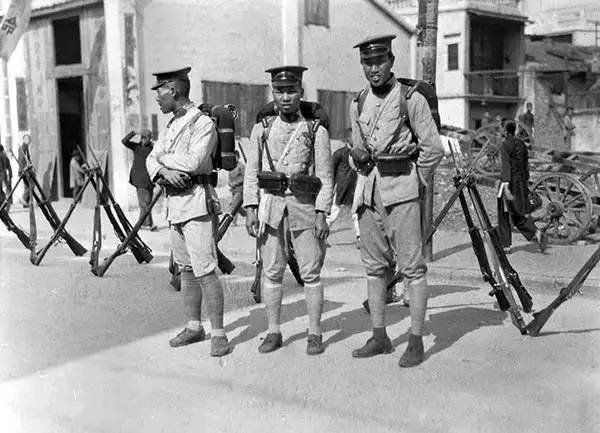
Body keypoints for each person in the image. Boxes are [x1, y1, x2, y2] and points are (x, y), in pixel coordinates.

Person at [348, 35, 444, 367]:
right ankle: (380, 336)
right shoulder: (358, 102)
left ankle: (415, 341)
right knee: (374, 269)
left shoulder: (410, 99)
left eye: (379, 61)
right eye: (367, 63)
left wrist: (417, 181)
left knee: (413, 269)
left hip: (403, 191)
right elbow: (357, 149)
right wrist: (357, 160)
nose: (374, 69)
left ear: (391, 61)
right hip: (369, 193)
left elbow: (432, 149)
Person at [244, 65, 333, 355]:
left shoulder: (315, 130)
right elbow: (251, 172)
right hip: (271, 206)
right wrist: (251, 208)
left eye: (291, 91)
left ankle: (314, 332)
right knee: (272, 272)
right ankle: (273, 331)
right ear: (273, 92)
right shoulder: (263, 128)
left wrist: (322, 213)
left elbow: (325, 175)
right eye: (279, 91)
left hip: (304, 206)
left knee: (311, 272)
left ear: (301, 92)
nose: (285, 97)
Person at [146, 66, 231, 357]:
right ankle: (194, 326)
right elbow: (150, 159)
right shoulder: (171, 125)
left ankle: (219, 334)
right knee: (186, 270)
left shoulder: (202, 123)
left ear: (173, 90)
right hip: (175, 205)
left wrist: (162, 161)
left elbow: (194, 162)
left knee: (205, 270)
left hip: (197, 202)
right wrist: (164, 172)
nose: (157, 98)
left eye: (160, 92)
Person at [498, 121, 547, 254]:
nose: (501, 130)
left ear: (505, 131)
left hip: (507, 185)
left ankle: (505, 245)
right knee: (517, 215)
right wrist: (525, 186)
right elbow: (526, 167)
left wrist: (506, 186)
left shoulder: (505, 145)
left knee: (503, 214)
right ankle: (537, 233)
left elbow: (506, 167)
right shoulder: (522, 145)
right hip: (520, 185)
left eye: (502, 128)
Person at [326, 127, 360, 248]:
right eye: (352, 137)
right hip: (341, 188)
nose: (355, 139)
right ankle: (322, 236)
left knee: (356, 214)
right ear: (347, 138)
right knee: (334, 212)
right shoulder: (339, 153)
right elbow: (331, 171)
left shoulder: (359, 153)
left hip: (354, 188)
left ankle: (359, 238)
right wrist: (331, 187)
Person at [122, 128, 157, 231]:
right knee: (144, 203)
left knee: (148, 203)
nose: (147, 140)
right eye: (145, 138)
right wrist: (133, 133)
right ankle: (145, 224)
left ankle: (146, 223)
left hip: (149, 179)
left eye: (149, 138)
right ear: (141, 138)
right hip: (140, 179)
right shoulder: (136, 147)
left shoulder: (152, 148)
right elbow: (124, 141)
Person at [227, 150, 246, 225]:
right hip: (233, 189)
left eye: (236, 156)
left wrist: (235, 182)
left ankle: (233, 221)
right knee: (237, 205)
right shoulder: (231, 166)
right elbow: (230, 178)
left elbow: (244, 177)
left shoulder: (241, 166)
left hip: (239, 189)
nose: (234, 158)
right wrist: (229, 183)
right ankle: (246, 214)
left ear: (238, 157)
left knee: (234, 205)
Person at [17, 134, 31, 207]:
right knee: (31, 185)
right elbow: (22, 159)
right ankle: (24, 199)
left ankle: (25, 203)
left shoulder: (25, 147)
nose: (28, 141)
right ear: (24, 140)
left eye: (29, 139)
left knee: (27, 185)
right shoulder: (23, 147)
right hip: (24, 170)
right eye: (27, 139)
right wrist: (24, 169)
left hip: (24, 169)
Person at [0, 144, 12, 211]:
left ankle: (5, 208)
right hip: (5, 176)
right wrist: (10, 177)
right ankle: (7, 208)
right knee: (6, 192)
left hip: (2, 177)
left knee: (3, 192)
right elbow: (9, 167)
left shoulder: (2, 156)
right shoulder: (5, 156)